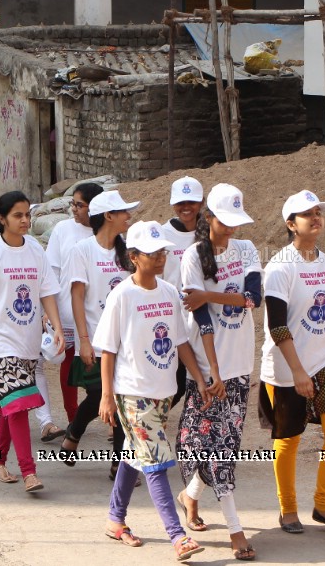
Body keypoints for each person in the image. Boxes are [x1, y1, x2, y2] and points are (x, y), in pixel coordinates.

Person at [95, 221, 209, 561]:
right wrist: (105, 395)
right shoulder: (121, 295)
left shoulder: (169, 292)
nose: (161, 258)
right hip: (131, 393)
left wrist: (199, 378)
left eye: (163, 252)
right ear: (133, 257)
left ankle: (116, 519)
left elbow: (180, 341)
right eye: (153, 253)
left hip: (163, 392)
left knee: (136, 454)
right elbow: (108, 350)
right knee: (156, 462)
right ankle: (178, 537)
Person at [257, 191, 325, 536]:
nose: (315, 218)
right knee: (288, 438)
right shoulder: (280, 267)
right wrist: (298, 371)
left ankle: (324, 504)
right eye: (306, 214)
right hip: (286, 366)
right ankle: (287, 509)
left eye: (318, 212)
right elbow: (277, 324)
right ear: (290, 224)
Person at [176, 183, 262, 561]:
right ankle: (235, 528)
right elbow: (201, 320)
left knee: (224, 445)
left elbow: (251, 300)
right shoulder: (193, 256)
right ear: (208, 218)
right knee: (215, 448)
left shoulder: (248, 250)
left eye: (235, 222)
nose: (231, 230)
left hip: (241, 363)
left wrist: (210, 295)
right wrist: (211, 373)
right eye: (224, 222)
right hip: (209, 369)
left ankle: (190, 495)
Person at [0, 191, 64, 493]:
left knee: (10, 403)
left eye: (27, 215)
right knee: (18, 405)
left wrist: (57, 327)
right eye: (18, 215)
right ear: (2, 218)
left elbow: (47, 292)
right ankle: (29, 471)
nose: (25, 221)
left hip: (29, 340)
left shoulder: (35, 250)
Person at [59, 190, 138, 476]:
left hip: (125, 340)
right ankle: (76, 429)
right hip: (94, 337)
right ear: (108, 216)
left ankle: (119, 462)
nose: (128, 217)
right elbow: (77, 297)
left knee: (120, 397)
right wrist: (83, 340)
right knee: (98, 395)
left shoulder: (129, 251)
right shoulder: (82, 251)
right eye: (123, 212)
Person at [43, 182, 102, 430]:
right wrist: (50, 310)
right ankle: (72, 416)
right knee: (68, 364)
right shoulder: (62, 229)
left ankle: (109, 419)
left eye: (80, 205)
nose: (74, 210)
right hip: (67, 311)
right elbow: (52, 271)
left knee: (101, 365)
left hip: (98, 314)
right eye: (73, 204)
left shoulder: (108, 233)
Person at [161, 176, 204, 407]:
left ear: (201, 202)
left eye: (192, 202)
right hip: (172, 318)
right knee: (172, 378)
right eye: (180, 202)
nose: (186, 207)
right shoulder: (162, 235)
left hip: (202, 317)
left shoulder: (210, 233)